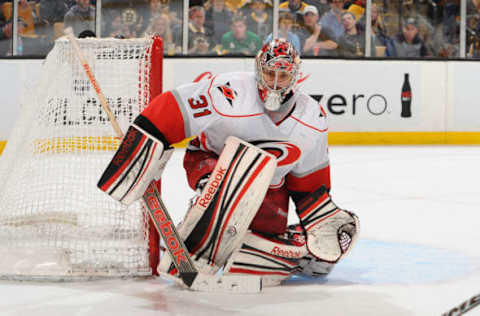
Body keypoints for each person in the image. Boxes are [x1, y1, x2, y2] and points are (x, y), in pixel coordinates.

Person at [97, 38, 359, 287]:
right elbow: (173, 108)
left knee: (258, 257)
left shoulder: (311, 118)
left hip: (268, 187)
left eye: (284, 75)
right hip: (211, 162)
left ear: (295, 76)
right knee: (231, 189)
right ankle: (200, 237)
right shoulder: (230, 91)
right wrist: (146, 144)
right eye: (270, 74)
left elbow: (309, 187)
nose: (276, 83)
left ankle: (293, 253)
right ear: (259, 69)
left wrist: (322, 219)